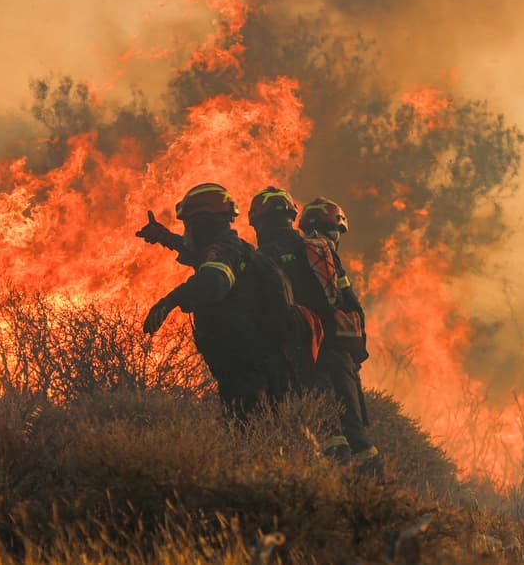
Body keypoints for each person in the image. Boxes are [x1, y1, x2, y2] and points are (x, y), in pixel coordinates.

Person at [140, 183, 292, 418]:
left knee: (247, 433)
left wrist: (170, 300)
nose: (187, 231)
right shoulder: (233, 248)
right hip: (257, 363)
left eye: (189, 224)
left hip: (246, 368)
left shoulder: (224, 252)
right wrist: (163, 236)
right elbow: (197, 253)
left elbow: (213, 283)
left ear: (203, 223)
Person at [252, 188, 379, 469]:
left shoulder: (262, 257)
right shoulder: (320, 253)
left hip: (305, 353)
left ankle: (338, 491)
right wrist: (355, 354)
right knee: (356, 432)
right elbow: (353, 307)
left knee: (327, 430)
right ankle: (378, 494)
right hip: (340, 353)